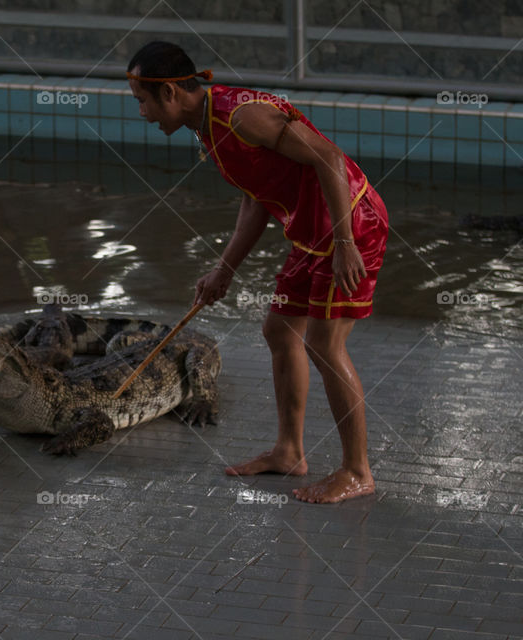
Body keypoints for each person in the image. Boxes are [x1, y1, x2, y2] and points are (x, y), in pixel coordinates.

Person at [126, 41, 388, 503]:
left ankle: (357, 471)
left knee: (326, 345)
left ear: (169, 92)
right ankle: (289, 452)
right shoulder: (208, 128)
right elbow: (257, 197)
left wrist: (346, 244)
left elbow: (328, 157)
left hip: (351, 222)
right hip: (311, 233)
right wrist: (223, 269)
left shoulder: (242, 117)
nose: (141, 113)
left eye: (142, 101)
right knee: (280, 330)